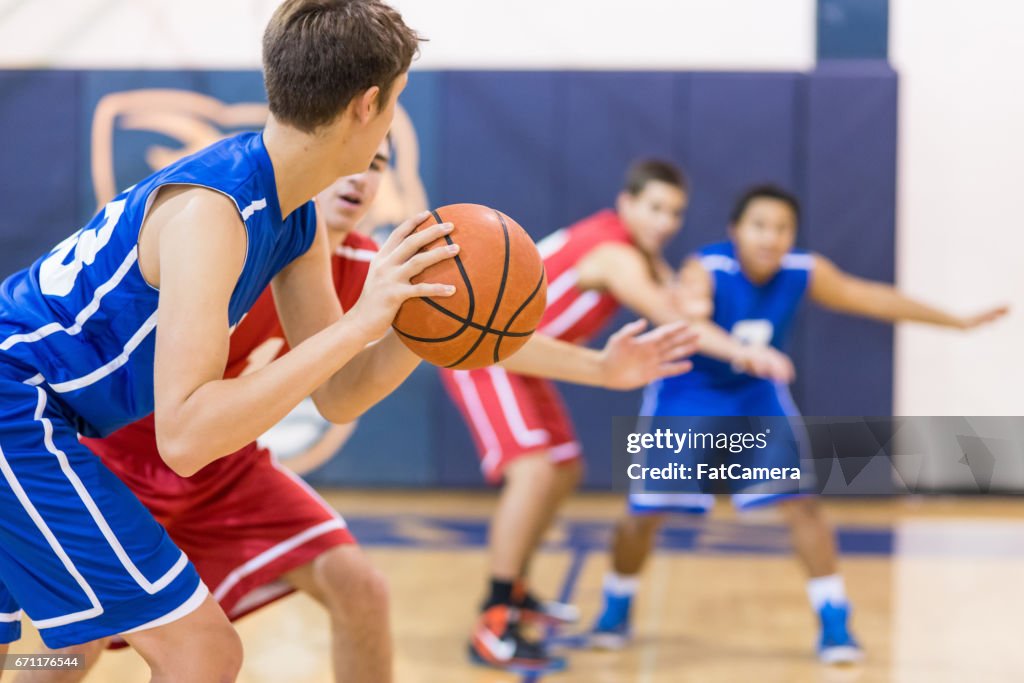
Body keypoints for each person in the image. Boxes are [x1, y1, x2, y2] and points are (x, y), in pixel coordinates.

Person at [17, 135, 699, 682]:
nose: (361, 176)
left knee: (360, 587)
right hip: (122, 458)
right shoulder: (240, 230)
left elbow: (491, 339)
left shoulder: (381, 268)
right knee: (65, 654)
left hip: (226, 468)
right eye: (358, 158)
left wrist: (601, 368)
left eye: (380, 165)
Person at [0, 1, 445, 680]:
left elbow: (338, 393)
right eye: (396, 104)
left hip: (40, 410)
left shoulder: (290, 211)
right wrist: (362, 321)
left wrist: (421, 323)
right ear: (367, 104)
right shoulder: (216, 211)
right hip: (16, 403)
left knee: (38, 651)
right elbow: (185, 435)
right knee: (199, 649)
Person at [591, 183, 1009, 664]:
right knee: (643, 513)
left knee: (803, 505)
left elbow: (871, 297)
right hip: (688, 396)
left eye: (782, 228)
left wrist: (955, 321)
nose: (771, 238)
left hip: (757, 396)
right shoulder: (704, 268)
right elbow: (692, 324)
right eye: (760, 226)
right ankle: (616, 604)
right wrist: (740, 349)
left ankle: (834, 621)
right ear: (736, 231)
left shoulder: (802, 271)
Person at [439, 161, 793, 673]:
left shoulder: (638, 253)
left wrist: (692, 289)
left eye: (675, 212)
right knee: (535, 471)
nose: (666, 221)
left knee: (566, 470)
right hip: (487, 352)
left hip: (531, 360)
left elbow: (681, 296)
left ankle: (515, 590)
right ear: (625, 205)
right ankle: (494, 617)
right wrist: (744, 351)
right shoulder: (614, 254)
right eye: (655, 208)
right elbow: (674, 317)